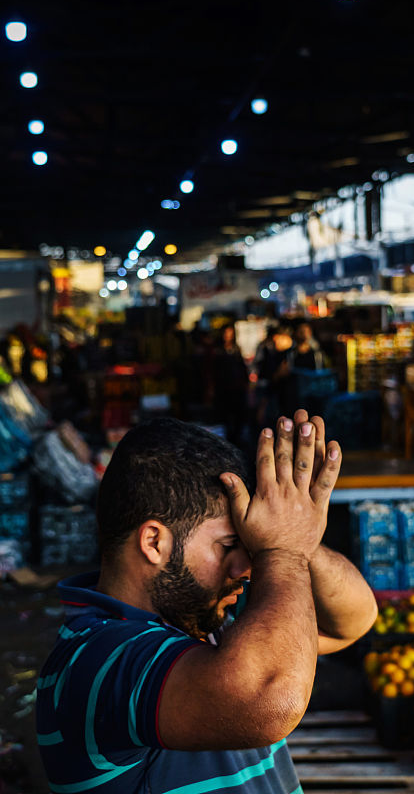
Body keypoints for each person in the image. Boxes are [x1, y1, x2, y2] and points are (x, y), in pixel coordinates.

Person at [36, 413, 377, 793]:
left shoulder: (201, 623)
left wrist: (298, 537)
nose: (247, 568)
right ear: (154, 543)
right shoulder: (96, 660)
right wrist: (283, 549)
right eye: (231, 546)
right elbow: (270, 699)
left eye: (252, 545)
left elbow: (352, 621)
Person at [212, 323, 251, 450]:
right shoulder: (217, 350)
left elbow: (242, 368)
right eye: (225, 333)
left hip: (237, 388)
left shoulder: (236, 349)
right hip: (223, 389)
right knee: (225, 416)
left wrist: (246, 383)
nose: (227, 336)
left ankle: (237, 441)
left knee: (239, 415)